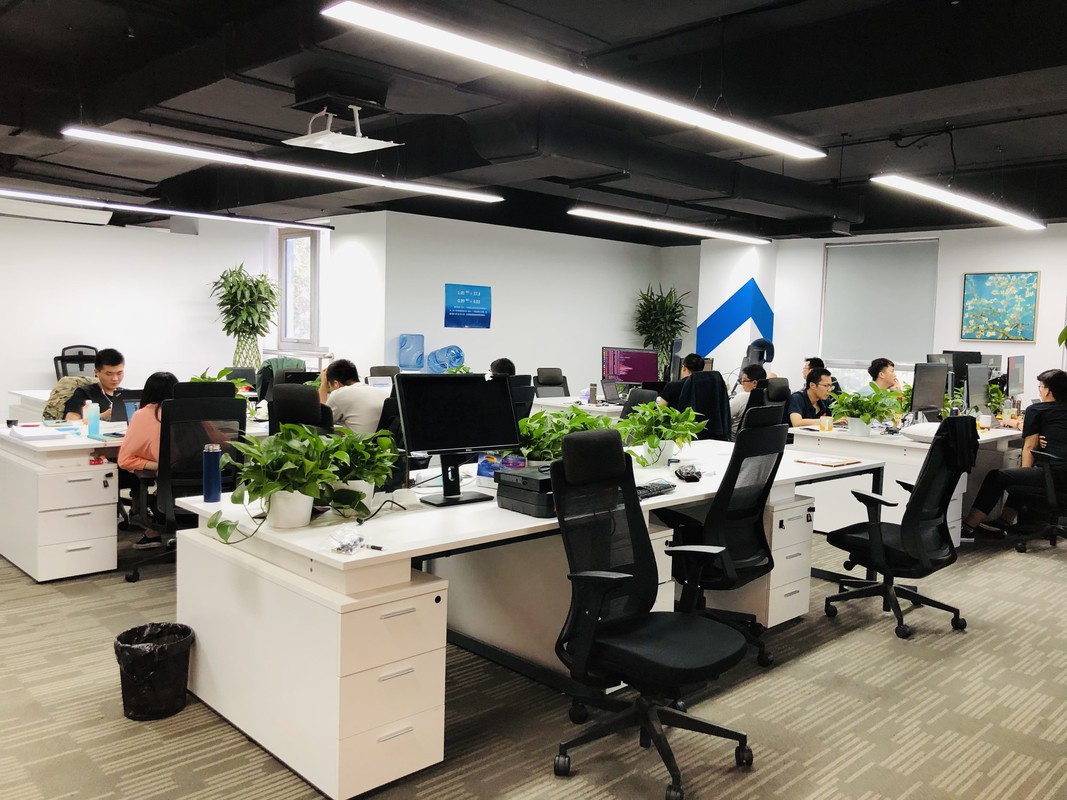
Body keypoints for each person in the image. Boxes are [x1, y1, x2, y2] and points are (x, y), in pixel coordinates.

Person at [961, 369, 1067, 539]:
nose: (1040, 391)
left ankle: (967, 527)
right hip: (1062, 474)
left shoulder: (1037, 410)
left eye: (1040, 387)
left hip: (1057, 475)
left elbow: (1029, 446)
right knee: (1021, 475)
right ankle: (1004, 521)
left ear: (1048, 391)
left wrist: (1025, 471)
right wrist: (1022, 425)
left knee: (998, 476)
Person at [117, 371, 179, 550]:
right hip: (205, 495)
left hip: (167, 500)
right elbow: (222, 442)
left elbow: (125, 460)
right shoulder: (191, 412)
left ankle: (149, 527)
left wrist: (159, 466)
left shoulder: (143, 415)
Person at [318, 359, 389, 434]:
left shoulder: (340, 394)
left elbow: (321, 423)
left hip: (358, 441)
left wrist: (323, 385)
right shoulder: (383, 392)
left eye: (329, 386)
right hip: (382, 440)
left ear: (336, 384)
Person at [64, 348, 125, 420]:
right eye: (109, 374)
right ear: (96, 372)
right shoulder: (84, 393)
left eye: (119, 373)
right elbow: (71, 420)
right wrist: (100, 416)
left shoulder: (127, 395)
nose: (115, 378)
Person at [730, 364, 767, 437]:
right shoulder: (768, 397)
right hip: (758, 437)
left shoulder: (742, 397)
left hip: (735, 437)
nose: (742, 383)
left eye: (744, 380)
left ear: (754, 383)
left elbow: (725, 414)